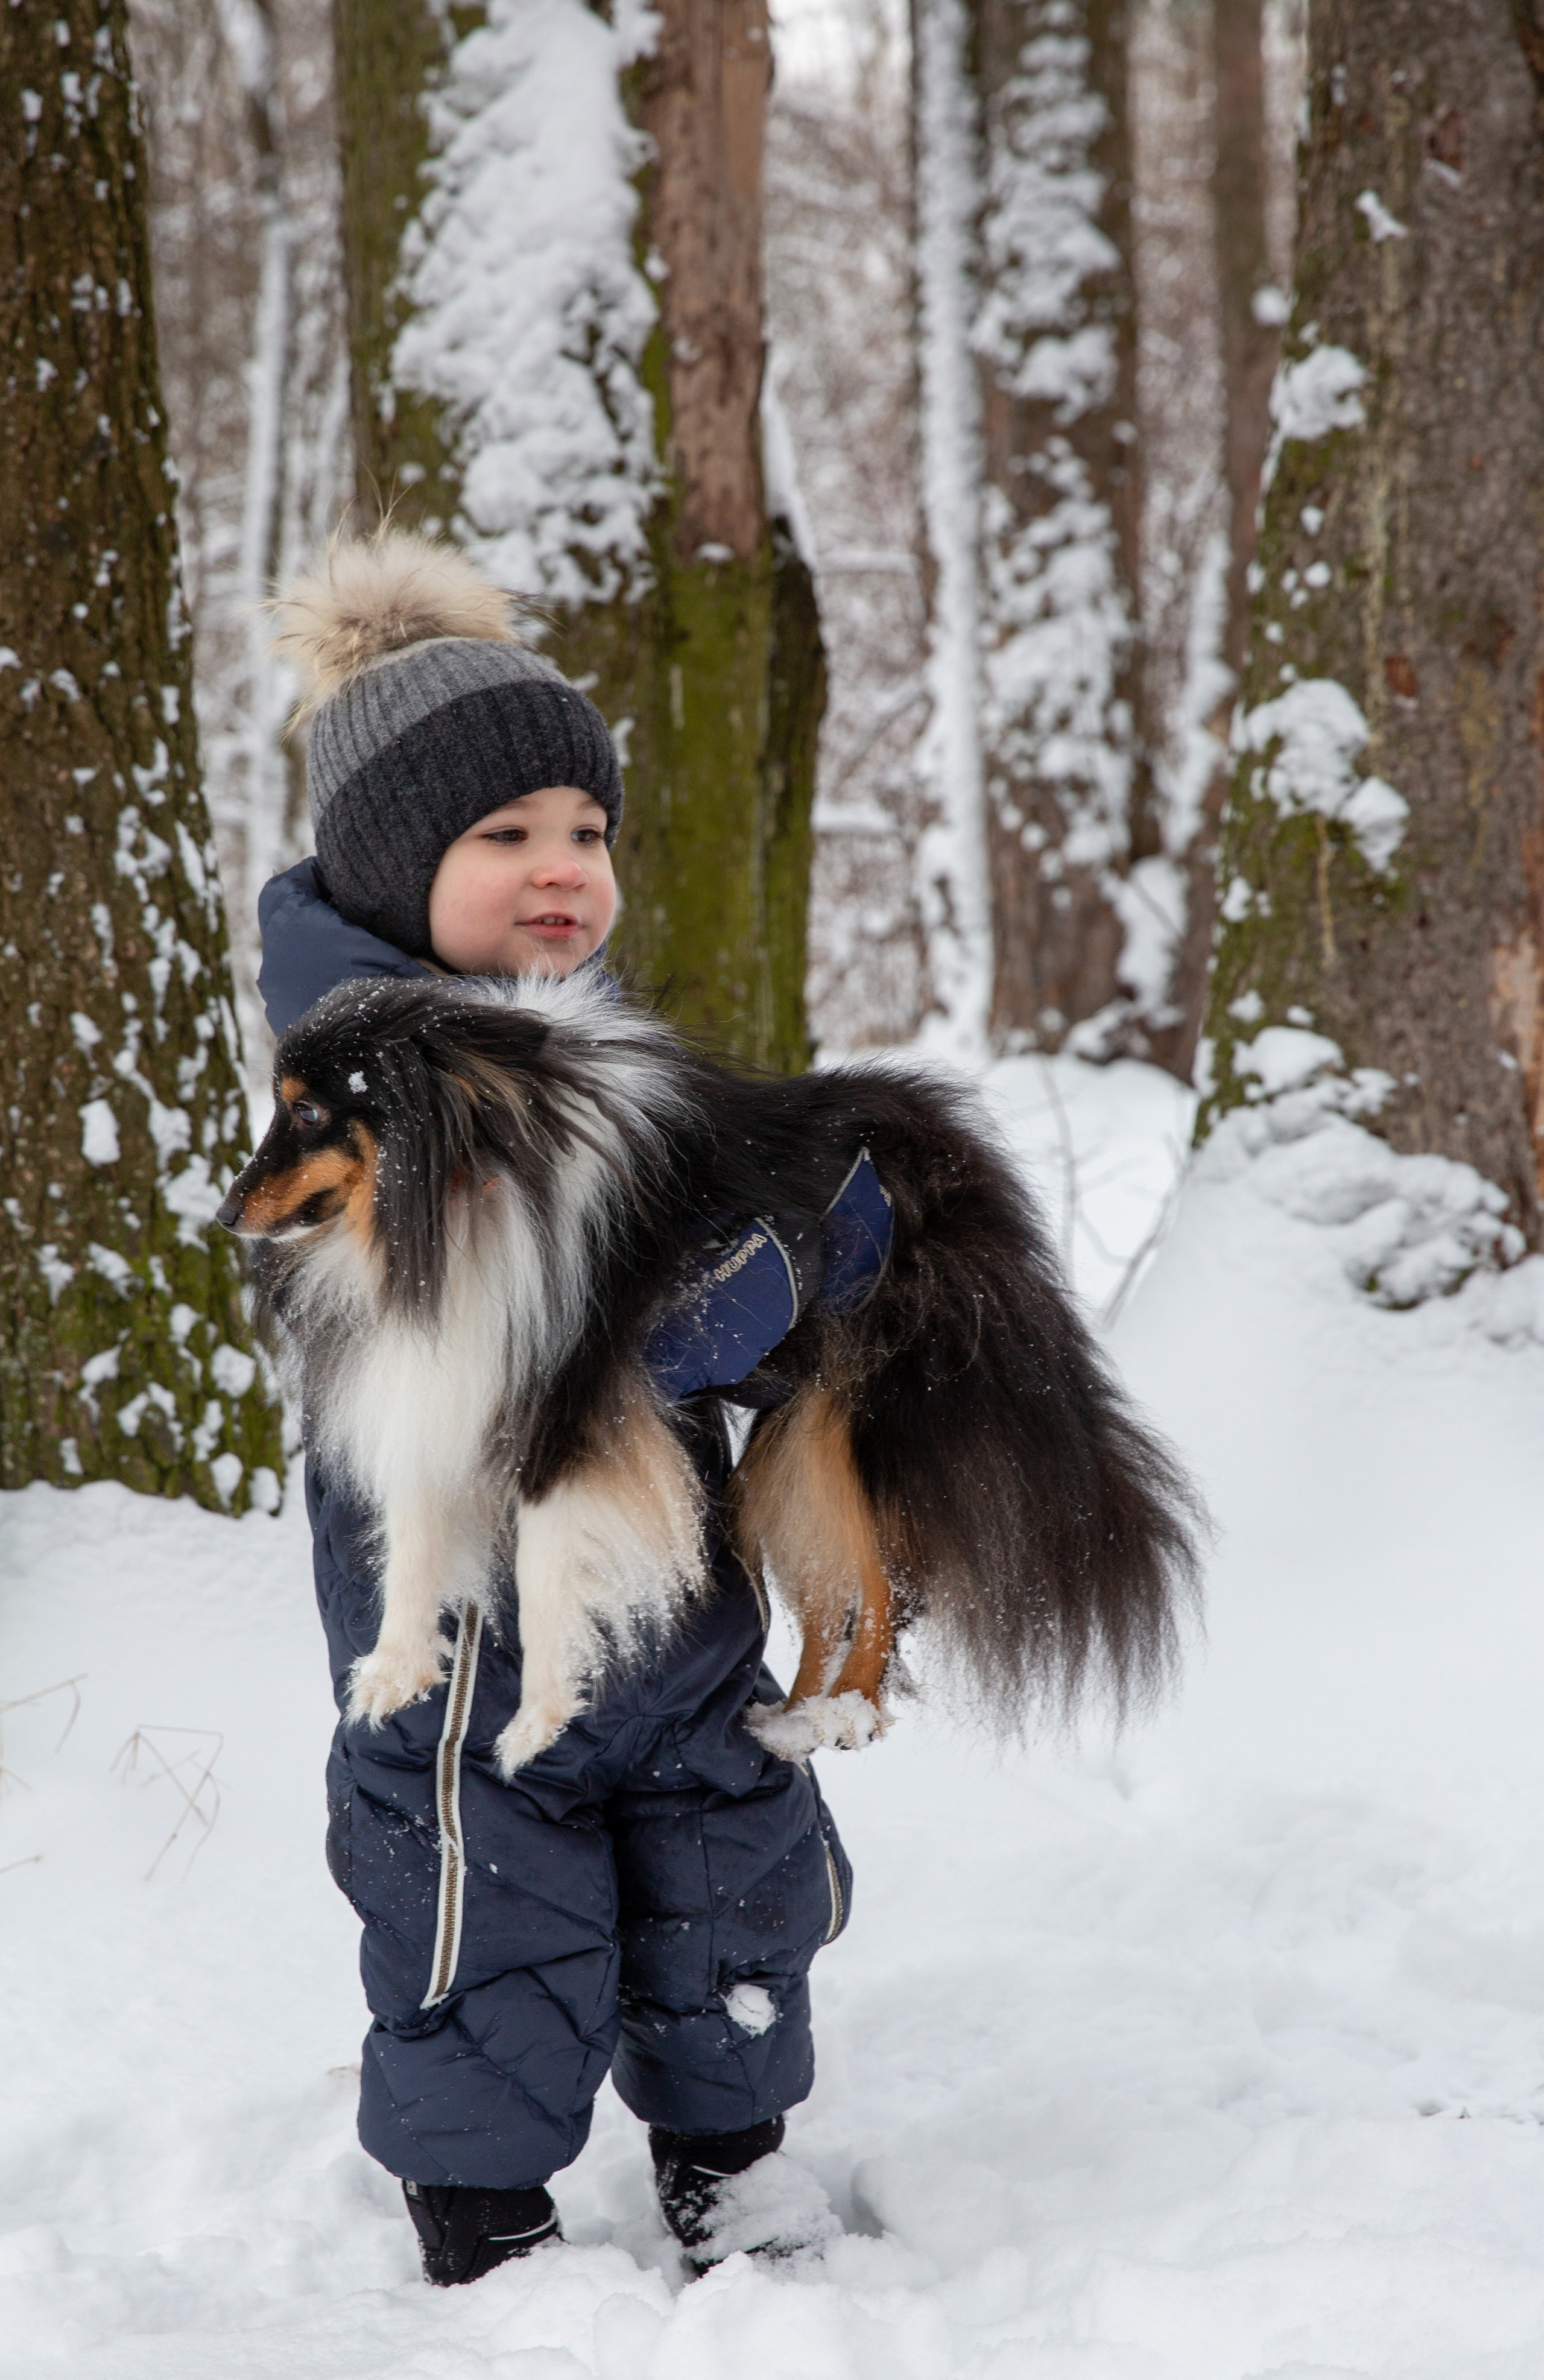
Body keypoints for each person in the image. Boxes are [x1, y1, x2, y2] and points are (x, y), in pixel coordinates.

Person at [256, 531, 862, 2287]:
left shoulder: (594, 1053)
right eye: (505, 835)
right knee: (475, 1871)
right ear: (394, 865)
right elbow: (424, 1316)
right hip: (467, 1622)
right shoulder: (356, 1083)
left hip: (664, 1585)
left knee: (725, 1828)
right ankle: (486, 2194)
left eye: (586, 832)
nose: (563, 870)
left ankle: (730, 2151)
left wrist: (798, 1282)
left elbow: (697, 1273)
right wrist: (658, 1316)